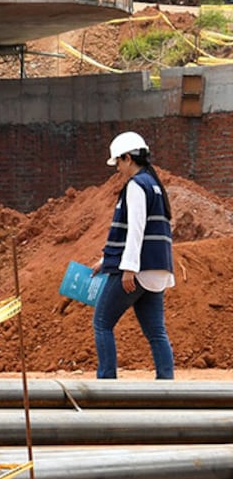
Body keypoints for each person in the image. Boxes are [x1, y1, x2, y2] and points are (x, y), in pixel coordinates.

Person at [90, 130, 174, 381]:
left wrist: (128, 268)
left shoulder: (136, 185)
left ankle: (106, 384)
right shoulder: (155, 185)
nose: (117, 168)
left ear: (128, 158)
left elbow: (136, 230)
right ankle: (167, 386)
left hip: (137, 270)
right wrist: (106, 261)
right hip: (156, 269)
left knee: (102, 323)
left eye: (118, 161)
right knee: (156, 331)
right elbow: (146, 230)